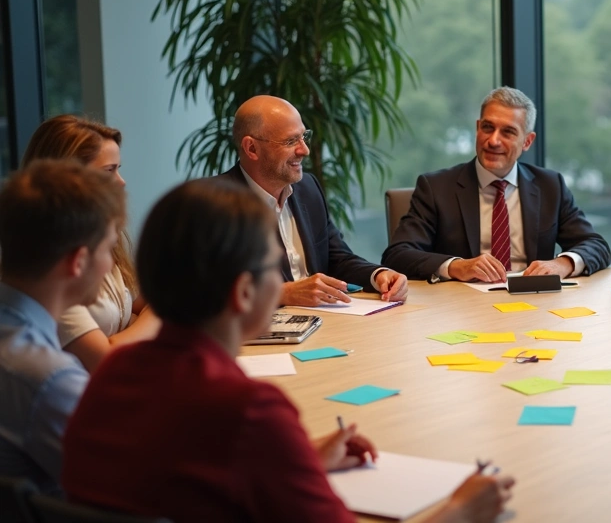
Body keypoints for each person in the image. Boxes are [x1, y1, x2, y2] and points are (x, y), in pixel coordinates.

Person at [62, 179, 514, 522]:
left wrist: (297, 460)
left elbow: (190, 468)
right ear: (244, 292)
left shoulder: (114, 373)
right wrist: (461, 511)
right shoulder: (249, 410)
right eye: (270, 266)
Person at [383, 87, 610, 283]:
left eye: (508, 132)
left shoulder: (550, 186)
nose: (493, 141)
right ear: (477, 128)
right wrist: (456, 266)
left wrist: (563, 264)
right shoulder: (436, 188)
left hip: (532, 303)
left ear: (527, 141)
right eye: (488, 127)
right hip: (462, 307)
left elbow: (596, 245)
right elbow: (398, 255)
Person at [0, 160, 124, 492]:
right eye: (108, 249)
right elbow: (132, 486)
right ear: (78, 262)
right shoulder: (50, 381)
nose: (110, 264)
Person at [216, 95, 409, 306]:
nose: (304, 150)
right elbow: (203, 291)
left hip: (324, 319)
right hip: (262, 324)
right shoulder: (213, 204)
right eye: (290, 141)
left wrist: (379, 275)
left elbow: (338, 259)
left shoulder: (308, 188)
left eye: (303, 137)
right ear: (252, 148)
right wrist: (282, 293)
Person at [20, 114, 160, 372]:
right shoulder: (48, 265)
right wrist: (154, 318)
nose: (121, 181)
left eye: (119, 168)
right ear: (69, 178)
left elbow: (141, 303)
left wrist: (129, 330)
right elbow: (105, 360)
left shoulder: (100, 237)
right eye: (109, 171)